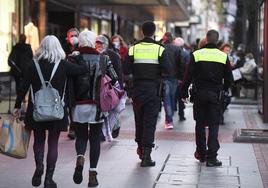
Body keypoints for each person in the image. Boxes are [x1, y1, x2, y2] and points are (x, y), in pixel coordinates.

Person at [13, 35, 87, 188]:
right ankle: (49, 179)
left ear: (42, 47)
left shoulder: (33, 65)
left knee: (39, 140)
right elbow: (83, 69)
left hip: (36, 110)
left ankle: (39, 166)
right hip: (56, 111)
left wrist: (17, 105)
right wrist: (78, 57)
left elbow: (24, 87)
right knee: (53, 143)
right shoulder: (64, 65)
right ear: (58, 47)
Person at [71, 30, 118, 187]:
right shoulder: (103, 58)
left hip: (78, 105)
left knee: (81, 136)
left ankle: (80, 157)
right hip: (97, 105)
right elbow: (114, 77)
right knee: (95, 138)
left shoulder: (73, 58)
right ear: (93, 42)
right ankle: (92, 174)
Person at [181, 30, 233, 167]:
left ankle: (201, 153)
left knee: (199, 124)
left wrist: (183, 93)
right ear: (217, 40)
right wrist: (224, 89)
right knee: (213, 125)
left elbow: (187, 76)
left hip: (199, 94)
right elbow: (229, 79)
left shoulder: (196, 54)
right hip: (215, 95)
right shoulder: (223, 56)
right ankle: (212, 158)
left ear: (207, 39)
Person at [125, 21, 170, 167]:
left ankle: (140, 148)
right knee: (150, 122)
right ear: (154, 32)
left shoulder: (133, 49)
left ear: (142, 32)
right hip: (153, 90)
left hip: (137, 90)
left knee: (139, 120)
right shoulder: (160, 49)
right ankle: (146, 156)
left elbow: (126, 70)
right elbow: (168, 69)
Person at [161, 32, 183, 129]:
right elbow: (181, 64)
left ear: (165, 39)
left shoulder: (161, 49)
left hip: (164, 77)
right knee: (172, 98)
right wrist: (180, 77)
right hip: (174, 78)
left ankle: (169, 120)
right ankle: (170, 117)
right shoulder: (177, 49)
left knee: (167, 99)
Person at [64, 28, 80, 140]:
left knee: (76, 105)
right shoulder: (63, 49)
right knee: (69, 105)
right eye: (71, 35)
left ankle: (75, 127)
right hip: (66, 81)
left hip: (79, 81)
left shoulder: (81, 49)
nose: (73, 37)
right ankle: (72, 127)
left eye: (75, 35)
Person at [173, 37, 189, 121]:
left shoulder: (173, 53)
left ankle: (173, 110)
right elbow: (187, 68)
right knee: (181, 97)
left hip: (174, 78)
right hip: (182, 79)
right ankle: (181, 114)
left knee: (174, 96)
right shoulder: (186, 54)